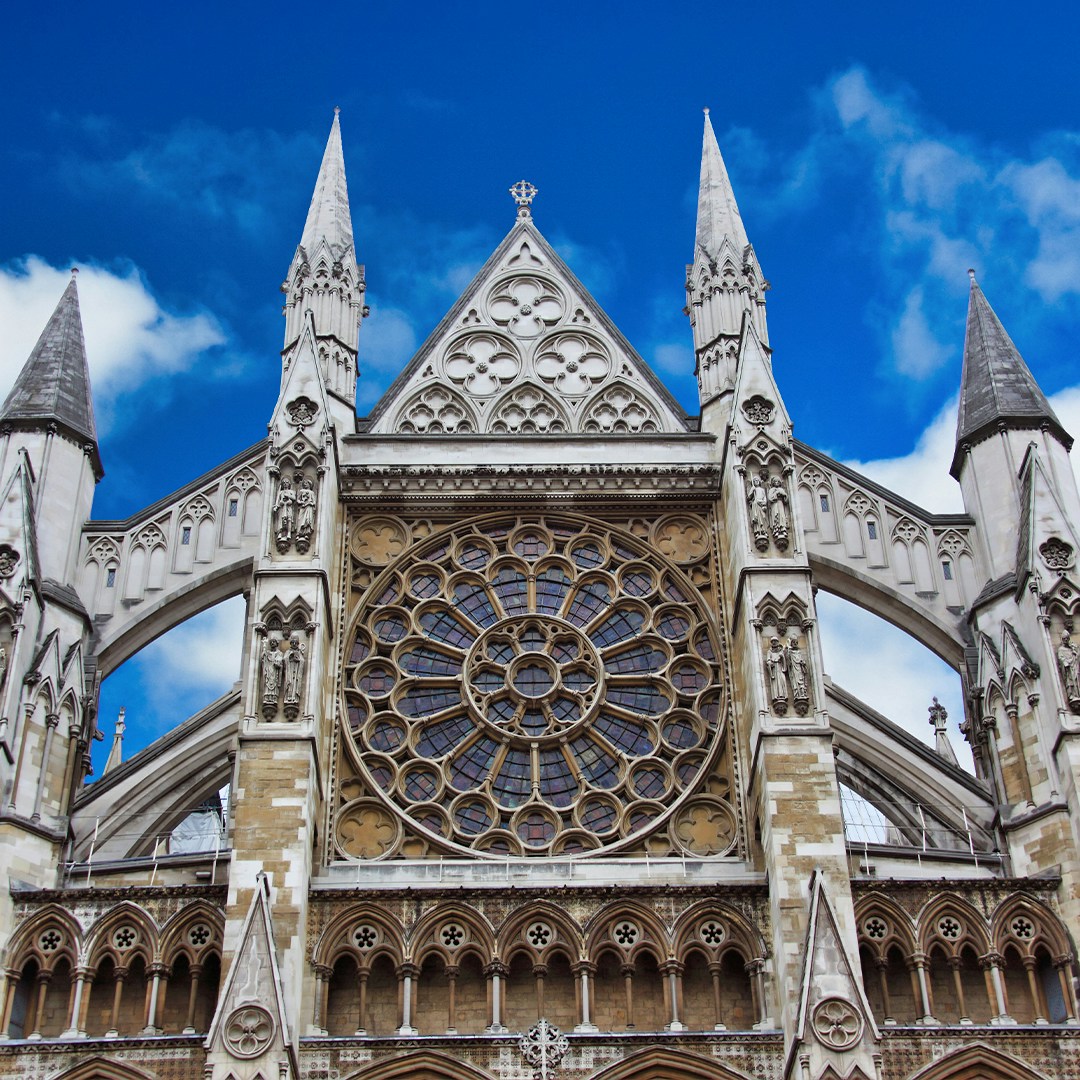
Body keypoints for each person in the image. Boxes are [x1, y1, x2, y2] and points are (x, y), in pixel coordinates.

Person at [765, 636, 789, 711]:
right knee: (775, 683)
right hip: (774, 668)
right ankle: (776, 696)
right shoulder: (769, 652)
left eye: (775, 641)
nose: (774, 643)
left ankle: (783, 696)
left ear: (778, 642)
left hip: (780, 667)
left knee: (782, 681)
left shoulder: (780, 651)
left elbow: (784, 661)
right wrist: (770, 663)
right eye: (772, 641)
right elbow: (768, 660)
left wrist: (782, 658)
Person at [747, 475, 769, 550]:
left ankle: (764, 531)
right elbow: (749, 497)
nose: (756, 482)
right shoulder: (753, 489)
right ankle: (758, 532)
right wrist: (752, 490)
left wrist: (763, 503)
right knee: (757, 520)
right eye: (754, 481)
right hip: (755, 505)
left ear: (759, 482)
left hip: (761, 505)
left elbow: (765, 498)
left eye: (757, 480)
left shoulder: (762, 490)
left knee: (763, 518)